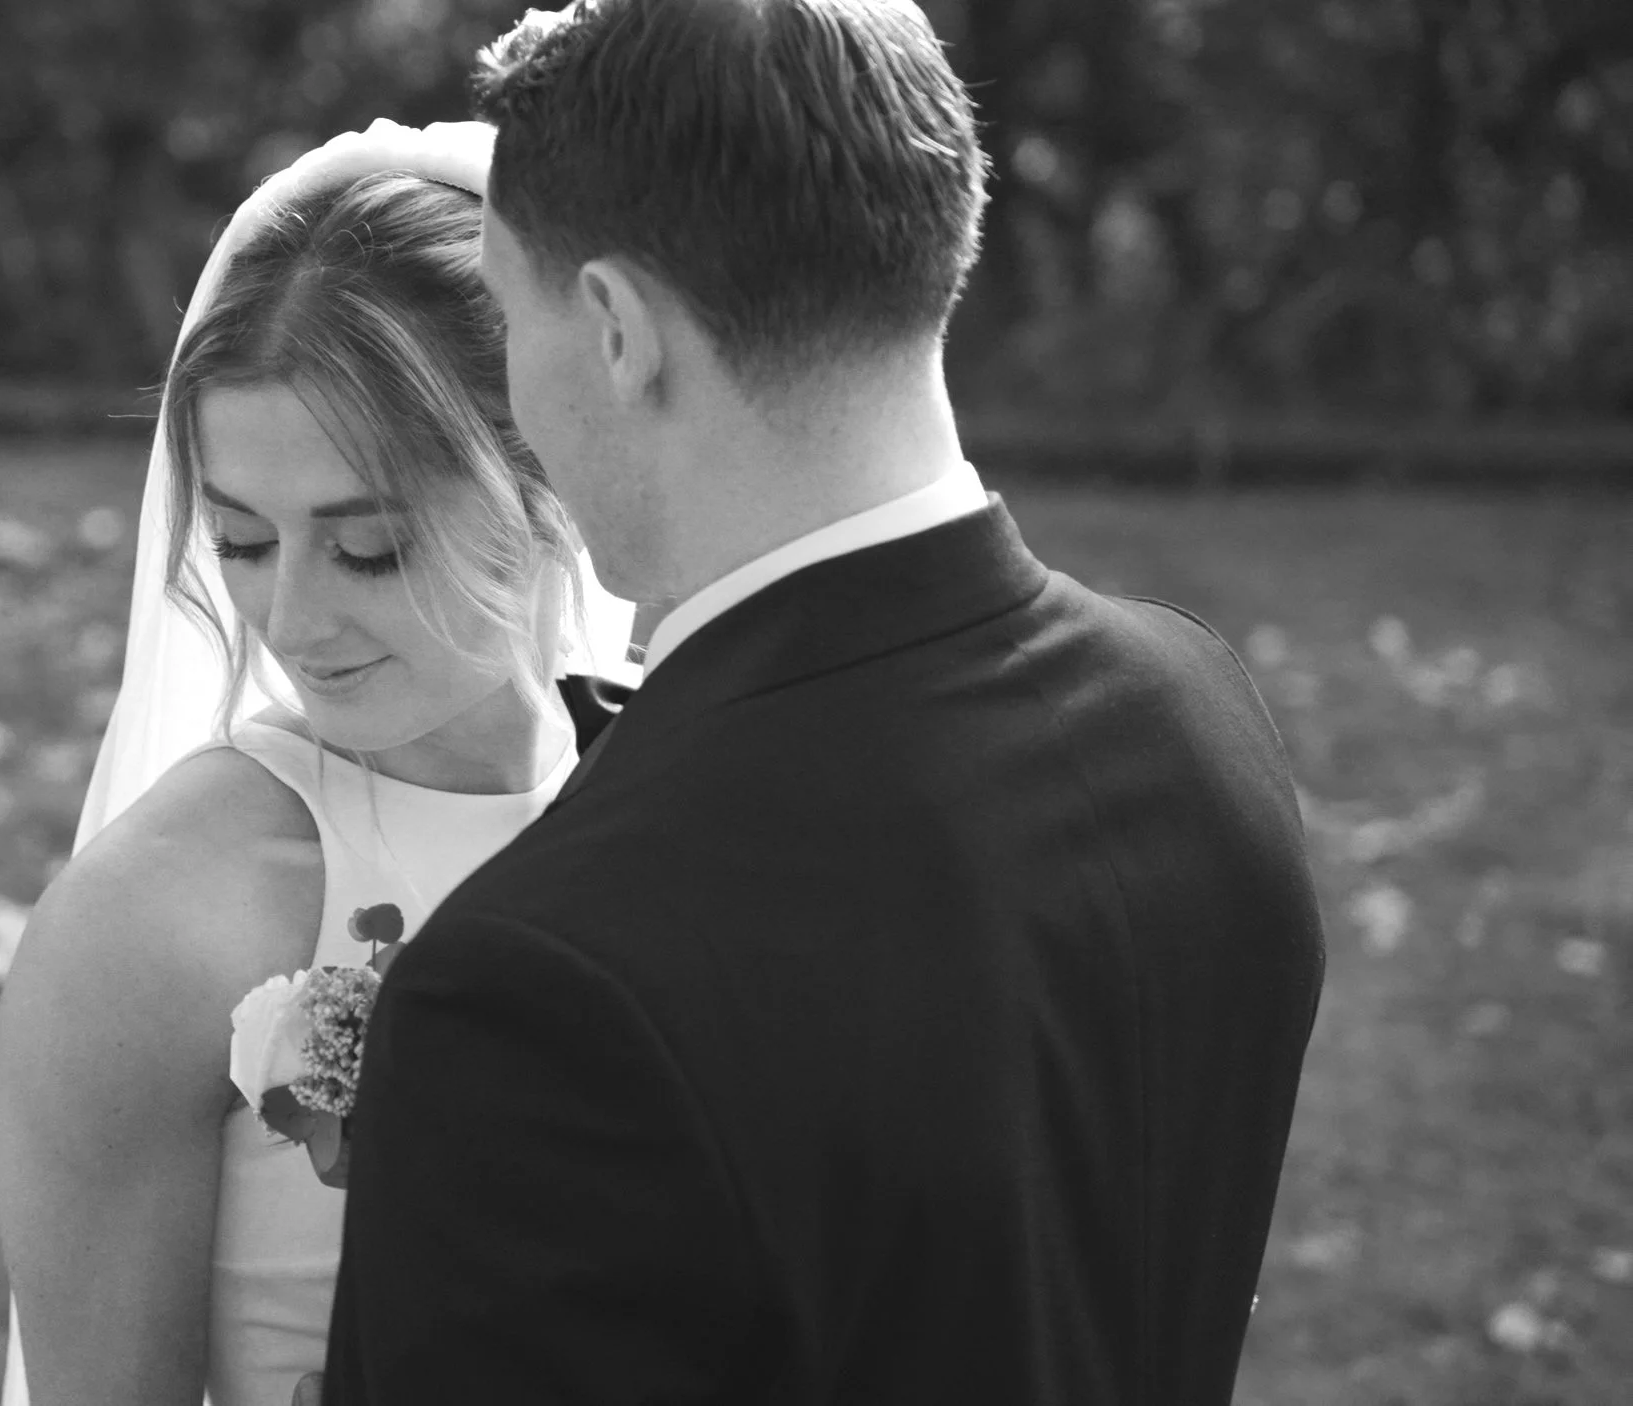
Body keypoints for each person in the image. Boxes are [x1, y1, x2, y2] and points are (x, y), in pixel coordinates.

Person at [320, 2, 1328, 1403]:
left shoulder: (538, 986)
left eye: (505, 310)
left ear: (615, 327)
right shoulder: (1200, 719)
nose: (512, 388)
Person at [0, 121, 638, 1406]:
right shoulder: (156, 919)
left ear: (550, 475)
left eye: (367, 547)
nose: (290, 618)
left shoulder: (688, 803)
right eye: (240, 540)